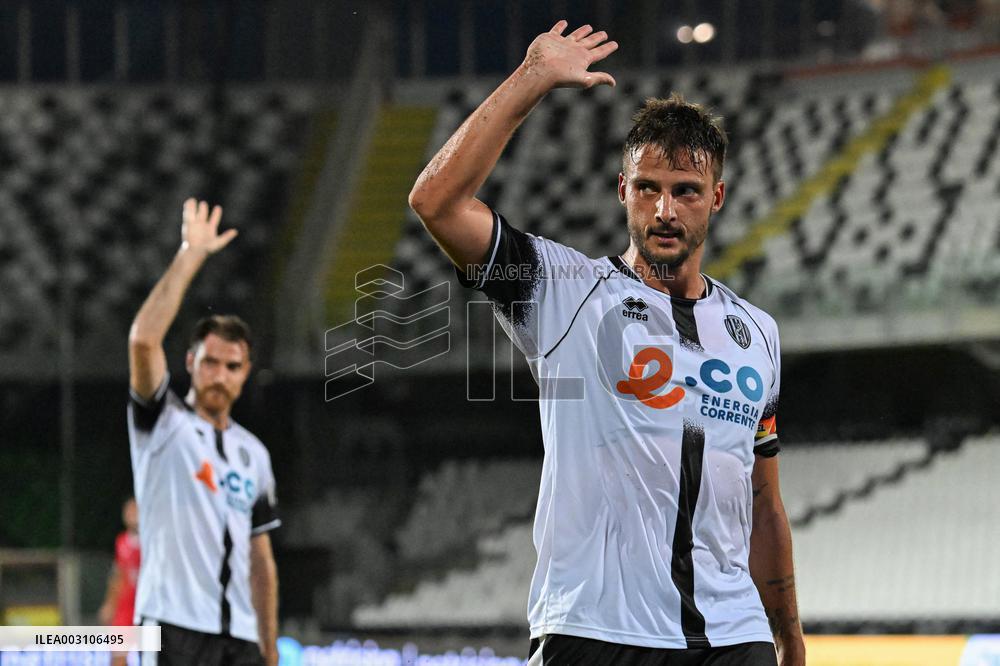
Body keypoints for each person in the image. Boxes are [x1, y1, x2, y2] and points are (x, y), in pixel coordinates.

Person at [409, 21, 805, 666]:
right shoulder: (561, 289)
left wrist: (787, 633)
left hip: (734, 637)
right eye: (648, 188)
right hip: (596, 631)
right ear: (623, 191)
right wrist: (532, 77)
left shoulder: (758, 333)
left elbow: (763, 499)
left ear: (717, 198)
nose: (665, 210)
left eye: (686, 191)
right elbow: (437, 202)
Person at [127, 199, 280, 666]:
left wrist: (268, 647)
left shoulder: (253, 454)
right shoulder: (162, 422)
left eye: (231, 366)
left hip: (239, 636)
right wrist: (191, 253)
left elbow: (261, 561)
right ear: (191, 362)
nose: (219, 375)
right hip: (169, 627)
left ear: (245, 372)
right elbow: (143, 340)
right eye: (209, 362)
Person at [99, 497, 141, 666]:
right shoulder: (121, 541)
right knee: (118, 655)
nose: (131, 514)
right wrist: (110, 603)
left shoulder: (152, 539)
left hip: (145, 607)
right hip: (125, 607)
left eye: (135, 510)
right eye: (128, 511)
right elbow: (118, 574)